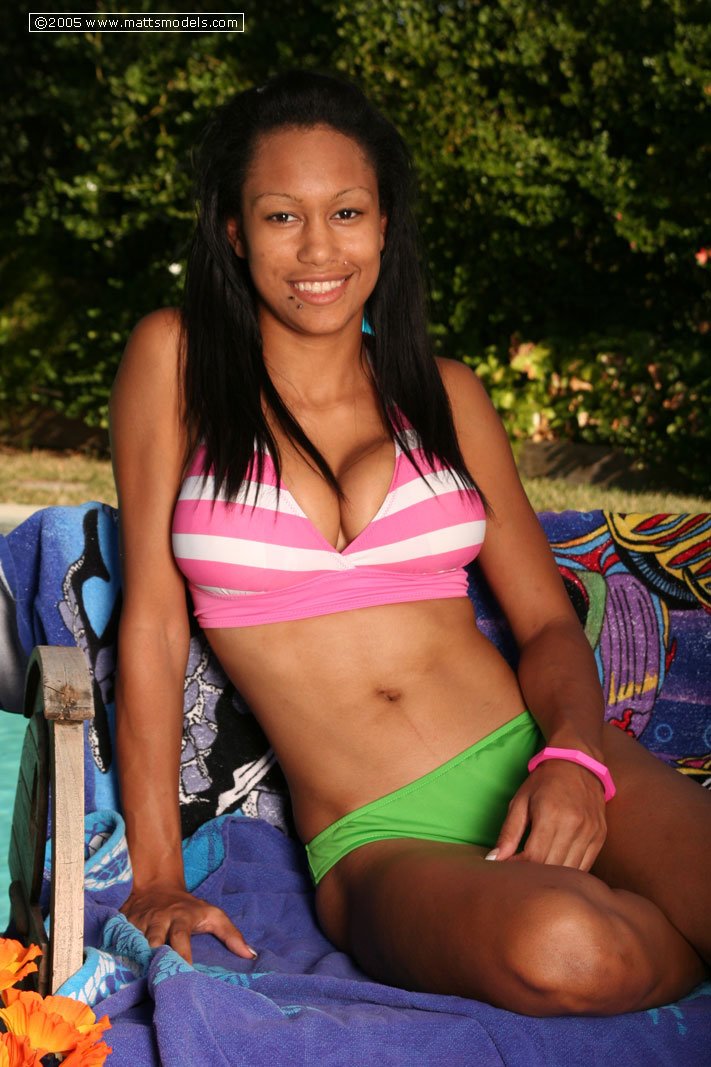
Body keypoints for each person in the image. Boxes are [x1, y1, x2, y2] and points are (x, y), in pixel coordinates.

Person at [109, 70, 710, 1017]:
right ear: (233, 230)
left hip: (532, 754)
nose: (318, 248)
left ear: (384, 225)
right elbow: (150, 624)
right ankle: (646, 936)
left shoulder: (446, 393)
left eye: (346, 212)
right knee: (572, 947)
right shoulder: (176, 362)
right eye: (281, 216)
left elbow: (546, 622)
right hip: (378, 833)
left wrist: (570, 759)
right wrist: (156, 877)